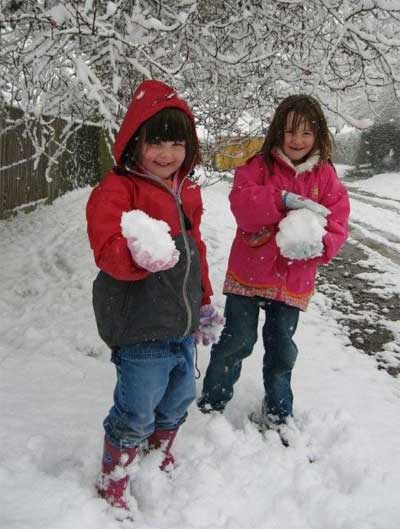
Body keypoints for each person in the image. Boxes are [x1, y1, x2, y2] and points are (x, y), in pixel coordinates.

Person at [86, 79, 220, 511]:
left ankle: (157, 450)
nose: (167, 154)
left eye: (177, 144)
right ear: (134, 142)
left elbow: (195, 251)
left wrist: (203, 302)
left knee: (181, 395)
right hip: (140, 325)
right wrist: (139, 254)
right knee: (138, 406)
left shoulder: (187, 191)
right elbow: (107, 251)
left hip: (179, 323)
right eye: (156, 142)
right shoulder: (118, 189)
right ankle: (115, 476)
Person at [197, 94, 350, 438]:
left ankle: (279, 410)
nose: (297, 140)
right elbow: (242, 205)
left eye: (306, 134)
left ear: (318, 136)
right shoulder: (259, 166)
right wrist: (279, 200)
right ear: (278, 131)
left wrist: (321, 244)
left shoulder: (325, 177)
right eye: (290, 131)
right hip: (249, 273)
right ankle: (212, 402)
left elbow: (338, 221)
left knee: (282, 349)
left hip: (293, 279)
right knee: (238, 340)